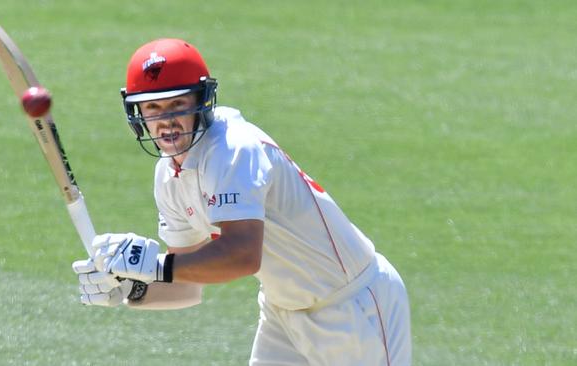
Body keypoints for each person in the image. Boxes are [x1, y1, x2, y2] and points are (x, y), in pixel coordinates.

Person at [72, 38, 412, 365]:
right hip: (283, 313)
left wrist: (153, 266)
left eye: (178, 104)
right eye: (153, 108)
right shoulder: (168, 175)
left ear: (201, 102)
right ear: (138, 115)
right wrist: (129, 288)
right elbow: (189, 286)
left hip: (352, 306)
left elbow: (242, 255)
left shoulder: (234, 150)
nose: (166, 121)